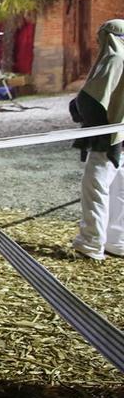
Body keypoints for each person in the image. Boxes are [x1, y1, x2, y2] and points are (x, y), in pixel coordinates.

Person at [70, 19, 124, 260]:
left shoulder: (114, 59)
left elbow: (91, 99)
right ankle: (117, 240)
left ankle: (90, 243)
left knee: (95, 188)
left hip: (108, 137)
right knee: (118, 190)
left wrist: (76, 108)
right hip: (121, 137)